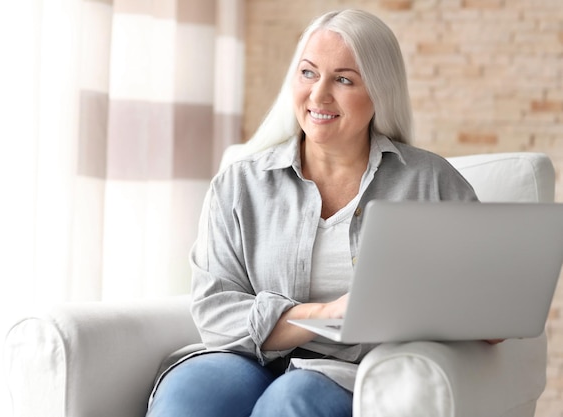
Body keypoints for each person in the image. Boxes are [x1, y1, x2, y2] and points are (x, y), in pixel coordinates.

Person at [146, 9, 498, 417]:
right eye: (309, 73)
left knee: (292, 400)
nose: (318, 95)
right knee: (191, 396)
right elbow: (215, 312)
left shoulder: (428, 182)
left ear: (379, 92)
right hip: (244, 357)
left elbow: (490, 315)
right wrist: (325, 314)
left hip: (345, 369)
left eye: (344, 79)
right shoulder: (239, 184)